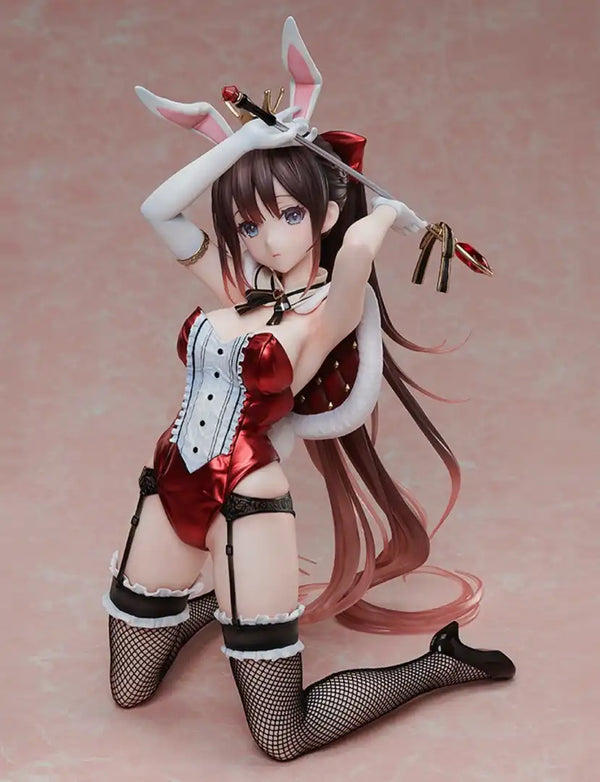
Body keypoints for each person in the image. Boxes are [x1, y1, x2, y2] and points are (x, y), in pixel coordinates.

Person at [103, 18, 515, 762]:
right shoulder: (233, 287)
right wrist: (245, 145)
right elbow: (157, 209)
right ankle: (207, 610)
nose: (268, 238)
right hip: (169, 485)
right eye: (248, 224)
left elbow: (355, 249)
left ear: (322, 214)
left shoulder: (328, 313)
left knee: (281, 736)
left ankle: (438, 664)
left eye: (290, 215)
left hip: (248, 502)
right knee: (129, 688)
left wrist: (385, 214)